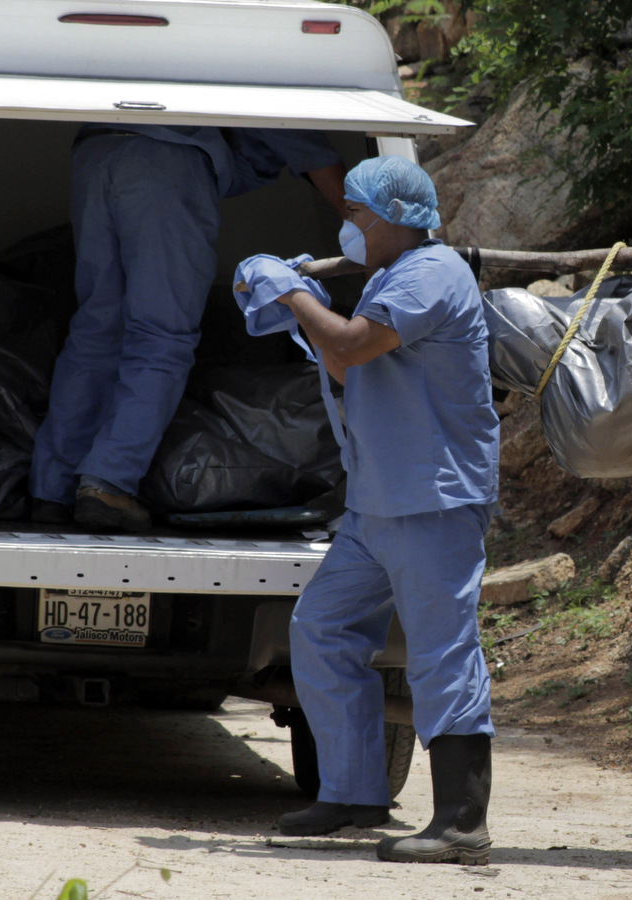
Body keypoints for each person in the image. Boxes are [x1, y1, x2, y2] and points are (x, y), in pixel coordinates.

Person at [246, 156, 500, 864]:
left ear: (395, 216)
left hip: (434, 499)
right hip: (379, 501)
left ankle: (460, 822)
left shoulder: (432, 272)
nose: (347, 227)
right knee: (323, 627)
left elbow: (355, 344)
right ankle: (353, 793)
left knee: (442, 653)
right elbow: (346, 363)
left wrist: (294, 295)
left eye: (356, 214)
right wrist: (298, 307)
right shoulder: (388, 278)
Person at [30, 124, 347, 531]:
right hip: (167, 159)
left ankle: (50, 492)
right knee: (161, 337)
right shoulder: (285, 75)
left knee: (96, 332)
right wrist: (369, 232)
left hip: (98, 148)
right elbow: (316, 156)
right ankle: (107, 484)